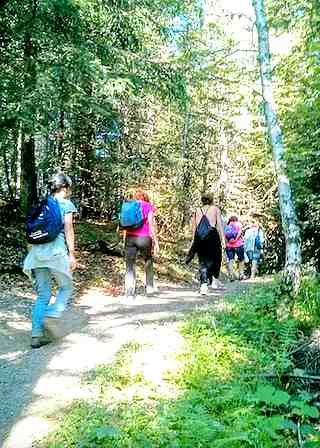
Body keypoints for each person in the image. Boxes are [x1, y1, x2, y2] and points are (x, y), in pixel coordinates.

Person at [23, 173, 78, 348]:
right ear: (64, 188)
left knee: (43, 295)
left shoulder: (42, 203)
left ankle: (36, 335)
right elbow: (68, 229)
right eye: (68, 188)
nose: (69, 191)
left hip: (37, 254)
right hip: (56, 253)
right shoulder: (66, 204)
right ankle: (51, 314)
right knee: (66, 286)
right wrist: (72, 254)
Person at [122, 190, 159, 303]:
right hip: (144, 238)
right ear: (146, 197)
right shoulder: (148, 206)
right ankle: (150, 287)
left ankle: (129, 293)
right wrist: (156, 241)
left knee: (130, 265)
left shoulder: (129, 205)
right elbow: (151, 224)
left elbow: (125, 225)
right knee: (148, 260)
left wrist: (125, 238)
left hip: (130, 238)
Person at [190, 192, 225, 295]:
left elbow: (194, 227)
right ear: (211, 200)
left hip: (200, 236)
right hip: (212, 235)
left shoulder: (197, 210)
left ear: (202, 200)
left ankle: (204, 285)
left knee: (202, 260)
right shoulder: (215, 209)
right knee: (216, 257)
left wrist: (193, 239)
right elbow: (219, 225)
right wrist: (223, 239)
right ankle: (214, 281)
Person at [225, 215, 245, 280]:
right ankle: (241, 275)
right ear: (236, 219)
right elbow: (240, 232)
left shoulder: (227, 226)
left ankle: (231, 275)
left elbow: (225, 236)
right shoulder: (238, 224)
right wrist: (236, 239)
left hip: (229, 245)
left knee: (231, 260)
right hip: (238, 245)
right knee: (241, 259)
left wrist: (229, 241)